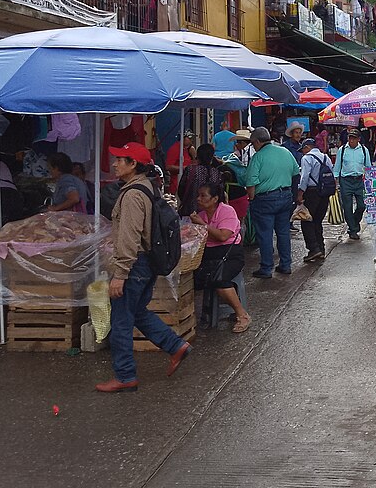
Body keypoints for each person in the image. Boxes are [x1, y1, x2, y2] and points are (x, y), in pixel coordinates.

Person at [96, 142, 190, 393]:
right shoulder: (148, 187)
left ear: (133, 164)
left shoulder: (132, 195)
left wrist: (120, 274)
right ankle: (175, 345)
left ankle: (125, 375)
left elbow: (130, 235)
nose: (114, 164)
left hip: (134, 264)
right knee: (137, 312)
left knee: (121, 321)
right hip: (145, 263)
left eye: (119, 160)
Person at [190, 182, 250, 333]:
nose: (199, 199)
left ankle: (242, 315)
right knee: (191, 279)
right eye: (198, 195)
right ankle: (201, 316)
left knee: (219, 280)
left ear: (215, 198)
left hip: (230, 255)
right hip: (210, 256)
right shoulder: (202, 215)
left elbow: (223, 236)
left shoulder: (226, 211)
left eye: (203, 196)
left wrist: (202, 225)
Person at [245, 127, 300, 278]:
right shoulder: (285, 152)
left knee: (265, 234)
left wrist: (251, 198)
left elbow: (250, 183)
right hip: (285, 196)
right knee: (283, 233)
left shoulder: (258, 157)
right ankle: (285, 265)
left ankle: (266, 268)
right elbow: (296, 172)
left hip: (265, 199)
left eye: (252, 144)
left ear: (257, 141)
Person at [298, 138, 332, 262]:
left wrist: (300, 193)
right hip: (324, 192)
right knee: (317, 221)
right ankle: (321, 248)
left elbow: (304, 177)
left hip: (311, 192)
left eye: (303, 149)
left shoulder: (307, 158)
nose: (302, 152)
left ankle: (313, 249)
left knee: (306, 220)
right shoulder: (325, 157)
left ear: (307, 147)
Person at [335, 128, 371, 240]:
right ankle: (353, 230)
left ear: (358, 139)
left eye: (354, 138)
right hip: (346, 180)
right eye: (350, 138)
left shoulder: (364, 150)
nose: (351, 140)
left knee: (362, 205)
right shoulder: (342, 150)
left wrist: (369, 181)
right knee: (347, 207)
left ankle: (354, 223)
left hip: (359, 180)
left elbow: (368, 167)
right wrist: (335, 180)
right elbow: (337, 166)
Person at [177, 143, 226, 216]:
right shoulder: (217, 173)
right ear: (212, 157)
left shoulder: (190, 169)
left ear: (198, 156)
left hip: (191, 212)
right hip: (211, 213)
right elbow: (220, 194)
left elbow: (181, 190)